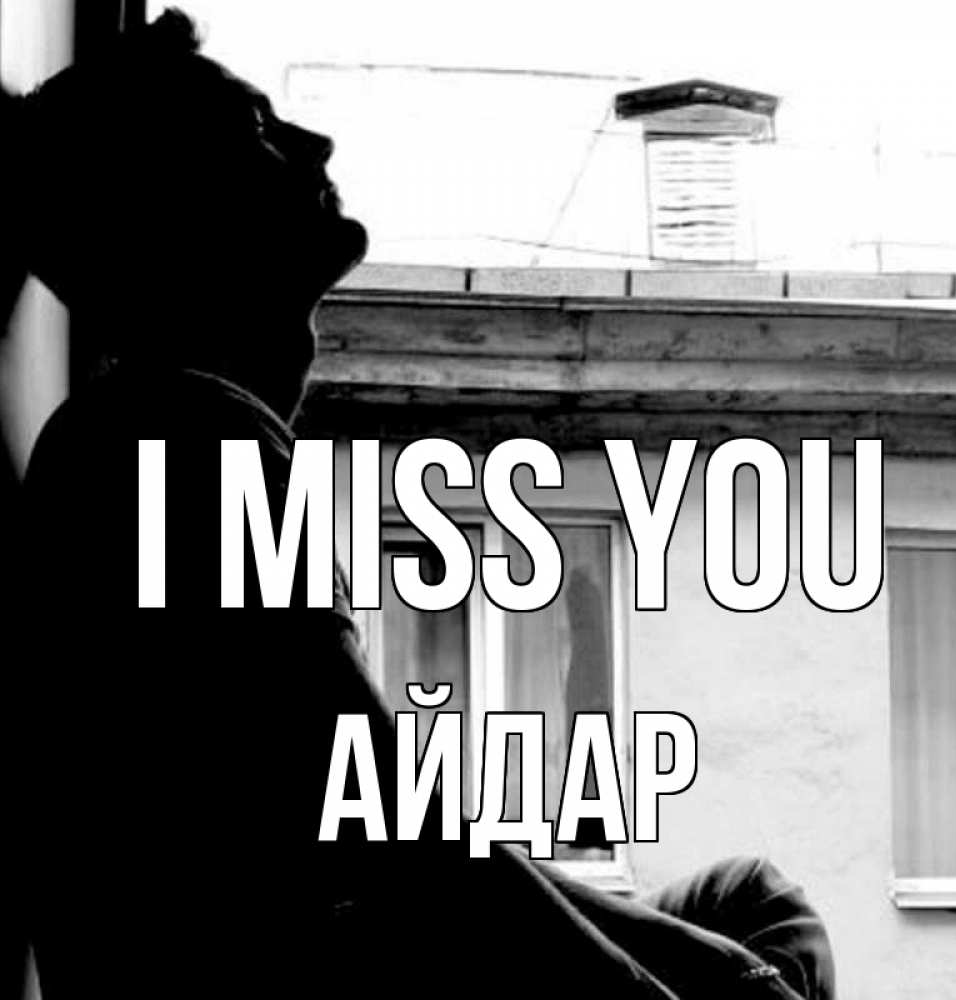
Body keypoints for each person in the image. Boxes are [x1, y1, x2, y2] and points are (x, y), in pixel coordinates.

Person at [4, 10, 835, 999]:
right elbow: (400, 836)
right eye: (258, 130)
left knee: (749, 912)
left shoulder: (154, 430)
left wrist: (718, 970)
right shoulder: (181, 435)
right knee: (754, 938)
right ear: (173, 209)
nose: (316, 144)